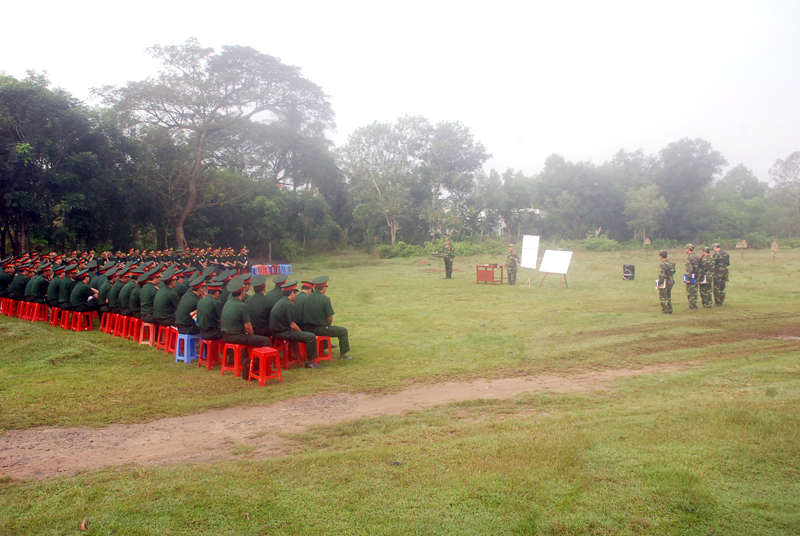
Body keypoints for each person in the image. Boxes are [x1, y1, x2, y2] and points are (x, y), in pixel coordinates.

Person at [269, 281, 320, 369]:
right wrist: (301, 333)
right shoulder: (288, 304)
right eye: (295, 293)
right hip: (282, 333)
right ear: (292, 293)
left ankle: (298, 355)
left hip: (276, 332)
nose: (296, 295)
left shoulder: (281, 301)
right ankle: (310, 362)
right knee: (310, 337)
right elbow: (292, 325)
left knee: (299, 334)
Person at [303, 276, 354, 359]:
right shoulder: (325, 299)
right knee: (343, 331)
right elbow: (329, 318)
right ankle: (343, 355)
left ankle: (322, 349)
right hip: (320, 328)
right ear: (323, 288)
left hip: (307, 328)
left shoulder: (306, 298)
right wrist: (327, 326)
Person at [657, 250, 676, 314]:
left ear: (661, 256)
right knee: (668, 296)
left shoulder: (663, 265)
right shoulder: (671, 263)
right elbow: (673, 271)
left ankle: (665, 309)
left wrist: (660, 284)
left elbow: (662, 275)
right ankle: (670, 309)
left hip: (665, 282)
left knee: (663, 297)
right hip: (671, 281)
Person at [684, 244, 700, 310]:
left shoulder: (690, 257)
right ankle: (695, 304)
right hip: (696, 275)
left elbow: (690, 269)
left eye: (686, 249)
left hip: (692, 276)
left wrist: (688, 278)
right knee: (695, 291)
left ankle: (692, 305)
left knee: (690, 291)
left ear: (688, 249)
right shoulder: (696, 256)